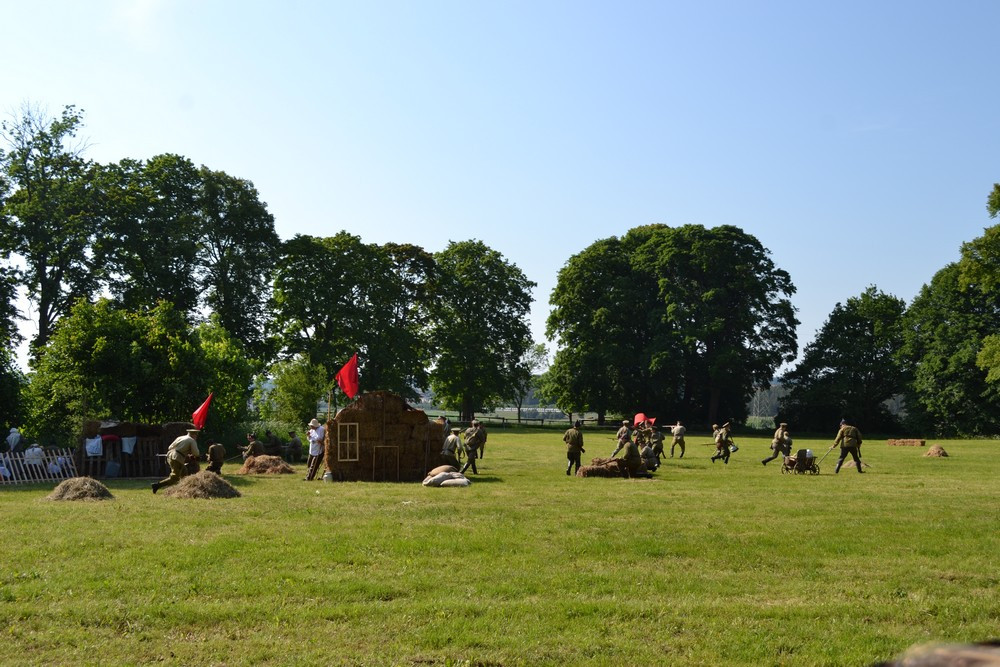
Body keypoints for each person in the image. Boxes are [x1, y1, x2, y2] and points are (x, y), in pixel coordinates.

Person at [152, 428, 200, 493]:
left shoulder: (180, 437)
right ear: (194, 435)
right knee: (175, 477)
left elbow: (170, 447)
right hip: (177, 458)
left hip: (170, 455)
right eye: (196, 435)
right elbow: (196, 453)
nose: (196, 436)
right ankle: (157, 485)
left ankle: (184, 489)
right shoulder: (192, 440)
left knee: (184, 473)